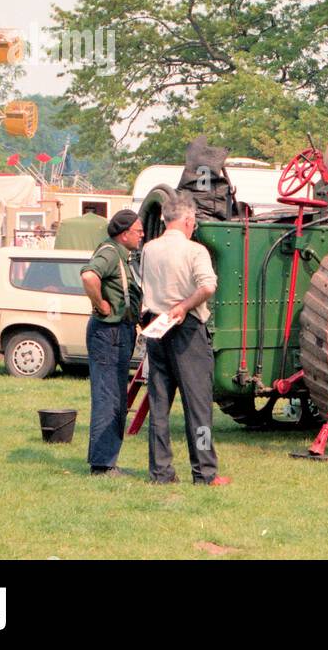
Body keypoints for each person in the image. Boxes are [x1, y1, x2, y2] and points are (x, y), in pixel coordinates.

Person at [140, 191, 227, 486]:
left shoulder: (149, 249)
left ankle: (160, 472)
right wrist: (184, 306)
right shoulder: (195, 251)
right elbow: (208, 286)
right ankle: (204, 472)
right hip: (186, 328)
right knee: (198, 405)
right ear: (189, 220)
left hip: (156, 326)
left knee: (159, 404)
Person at [79, 210, 144, 476]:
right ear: (124, 233)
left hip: (120, 331)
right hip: (109, 333)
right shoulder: (109, 252)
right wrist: (101, 304)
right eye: (138, 230)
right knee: (109, 397)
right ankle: (103, 465)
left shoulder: (122, 255)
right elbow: (88, 276)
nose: (142, 234)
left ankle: (107, 461)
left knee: (116, 396)